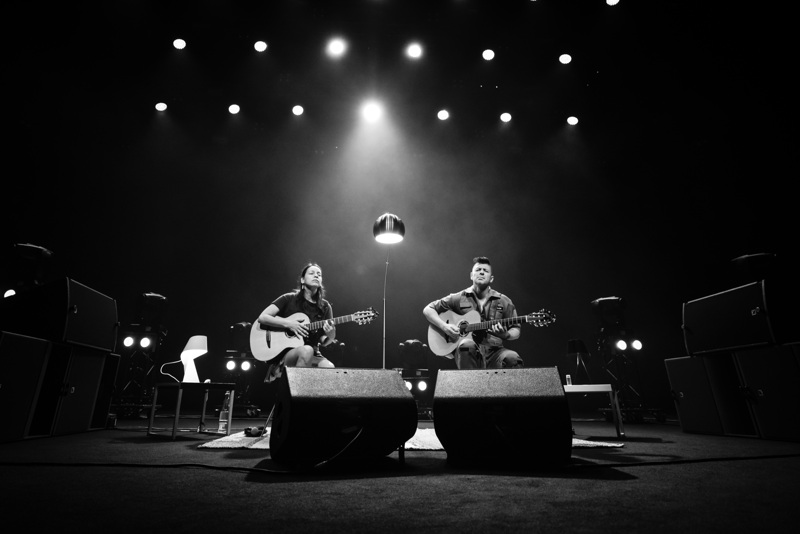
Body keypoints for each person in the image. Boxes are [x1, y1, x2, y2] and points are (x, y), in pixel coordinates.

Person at [423, 256, 523, 369]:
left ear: (491, 278)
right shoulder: (458, 298)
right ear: (471, 275)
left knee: (513, 358)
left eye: (485, 271)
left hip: (495, 352)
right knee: (466, 345)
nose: (481, 272)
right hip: (469, 351)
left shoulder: (504, 300)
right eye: (478, 270)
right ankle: (469, 385)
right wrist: (445, 327)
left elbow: (516, 329)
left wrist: (506, 335)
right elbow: (428, 309)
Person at [258, 262, 337, 382]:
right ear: (302, 280)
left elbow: (324, 341)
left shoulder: (325, 306)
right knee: (306, 350)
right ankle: (294, 397)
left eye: (319, 274)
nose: (316, 276)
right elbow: (263, 317)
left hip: (314, 352)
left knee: (330, 368)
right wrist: (289, 324)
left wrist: (331, 334)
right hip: (286, 352)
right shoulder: (288, 298)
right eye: (312, 273)